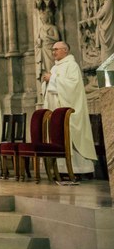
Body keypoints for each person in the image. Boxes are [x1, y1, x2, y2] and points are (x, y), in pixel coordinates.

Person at [41, 41, 97, 176]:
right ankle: (61, 169)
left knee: (70, 136)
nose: (53, 52)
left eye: (56, 49)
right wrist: (47, 81)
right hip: (56, 109)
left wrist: (52, 79)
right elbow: (51, 88)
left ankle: (80, 170)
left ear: (65, 50)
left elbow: (73, 86)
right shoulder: (55, 68)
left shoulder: (72, 65)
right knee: (58, 137)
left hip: (69, 111)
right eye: (52, 49)